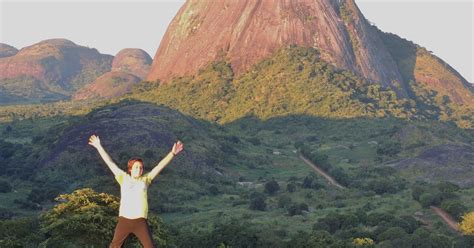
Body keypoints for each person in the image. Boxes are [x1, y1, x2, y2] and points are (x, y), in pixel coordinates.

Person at [88, 134, 183, 248]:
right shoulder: (123, 178)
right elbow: (110, 163)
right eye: (136, 167)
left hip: (140, 221)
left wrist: (172, 153)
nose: (139, 169)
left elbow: (159, 166)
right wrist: (99, 146)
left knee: (150, 246)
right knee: (114, 246)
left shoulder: (145, 180)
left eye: (141, 167)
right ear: (130, 169)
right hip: (124, 220)